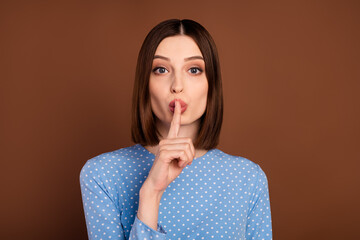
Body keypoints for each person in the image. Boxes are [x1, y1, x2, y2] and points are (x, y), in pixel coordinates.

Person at [80, 19, 272, 240]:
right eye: (161, 69)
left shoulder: (248, 178)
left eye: (194, 70)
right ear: (145, 83)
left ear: (211, 85)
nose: (177, 85)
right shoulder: (101, 175)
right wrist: (151, 192)